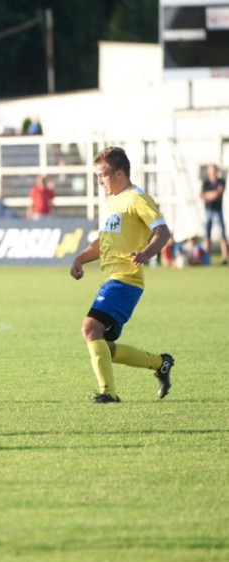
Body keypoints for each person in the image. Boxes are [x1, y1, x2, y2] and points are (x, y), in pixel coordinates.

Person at [69, 146, 174, 404]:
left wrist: (146, 253)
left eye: (103, 175)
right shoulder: (112, 202)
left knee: (90, 327)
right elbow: (102, 242)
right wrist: (81, 258)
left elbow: (162, 231)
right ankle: (160, 363)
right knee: (105, 346)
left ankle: (109, 393)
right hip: (111, 279)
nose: (100, 180)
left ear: (119, 173)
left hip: (126, 279)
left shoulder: (137, 198)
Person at [200, 163, 228, 265]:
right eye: (211, 170)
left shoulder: (221, 181)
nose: (212, 172)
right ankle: (208, 258)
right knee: (207, 235)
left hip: (218, 211)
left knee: (222, 234)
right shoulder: (206, 183)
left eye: (214, 170)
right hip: (208, 211)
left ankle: (225, 258)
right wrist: (212, 194)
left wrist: (209, 195)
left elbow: (218, 194)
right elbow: (201, 195)